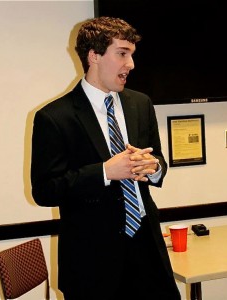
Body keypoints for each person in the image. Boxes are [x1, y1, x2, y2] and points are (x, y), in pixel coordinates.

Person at [31, 16, 181, 300]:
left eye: (132, 55)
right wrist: (103, 172)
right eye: (122, 54)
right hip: (92, 265)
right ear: (94, 55)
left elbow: (157, 158)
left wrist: (154, 168)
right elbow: (44, 190)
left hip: (148, 253)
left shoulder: (140, 104)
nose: (131, 65)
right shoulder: (54, 117)